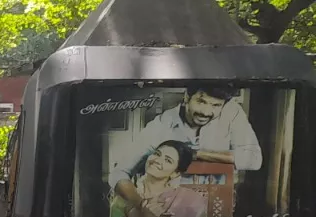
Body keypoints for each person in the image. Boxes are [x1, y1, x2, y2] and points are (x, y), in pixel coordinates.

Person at [107, 85, 262, 204]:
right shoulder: (161, 125)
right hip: (169, 210)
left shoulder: (233, 112)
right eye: (201, 101)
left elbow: (254, 160)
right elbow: (118, 173)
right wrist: (142, 206)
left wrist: (196, 154)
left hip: (216, 208)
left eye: (216, 105)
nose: (206, 112)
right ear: (187, 97)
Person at [110, 140, 207, 217]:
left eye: (168, 160)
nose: (157, 160)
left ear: (175, 173)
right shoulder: (123, 199)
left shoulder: (192, 201)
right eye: (157, 154)